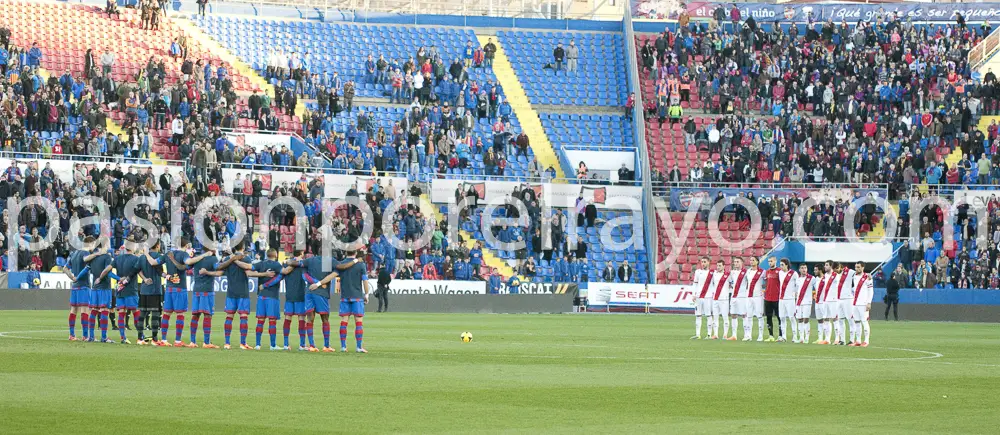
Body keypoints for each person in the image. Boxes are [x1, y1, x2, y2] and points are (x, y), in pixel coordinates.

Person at [323, 250, 371, 353]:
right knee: (358, 322)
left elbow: (332, 276)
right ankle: (359, 347)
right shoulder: (360, 265)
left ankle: (343, 347)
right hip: (357, 296)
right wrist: (366, 294)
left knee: (344, 321)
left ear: (346, 252)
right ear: (356, 252)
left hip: (345, 297)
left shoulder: (341, 264)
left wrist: (319, 283)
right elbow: (365, 281)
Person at [302, 253, 339, 352]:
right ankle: (326, 346)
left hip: (309, 291)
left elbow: (304, 274)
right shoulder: (330, 261)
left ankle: (311, 346)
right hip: (321, 293)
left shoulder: (309, 260)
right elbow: (340, 267)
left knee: (310, 318)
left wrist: (314, 282)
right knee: (325, 318)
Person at [250, 249, 283, 350]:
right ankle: (273, 345)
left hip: (261, 296)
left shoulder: (260, 264)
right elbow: (281, 276)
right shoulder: (277, 265)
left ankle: (257, 345)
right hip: (272, 296)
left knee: (260, 320)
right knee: (272, 321)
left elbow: (249, 270)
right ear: (276, 255)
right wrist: (266, 285)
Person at [188, 246, 219, 349]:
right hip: (207, 291)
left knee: (195, 315)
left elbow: (187, 266)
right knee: (207, 315)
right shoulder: (213, 259)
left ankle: (192, 341)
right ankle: (206, 342)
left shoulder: (196, 258)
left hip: (196, 290)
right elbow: (218, 271)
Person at [113, 242, 142, 344]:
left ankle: (123, 337)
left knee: (121, 313)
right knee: (135, 312)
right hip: (131, 290)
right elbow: (139, 272)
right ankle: (140, 337)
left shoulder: (117, 258)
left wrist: (118, 279)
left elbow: (108, 271)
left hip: (120, 289)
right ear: (133, 247)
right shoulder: (136, 259)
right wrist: (145, 279)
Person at [138, 241, 166, 346]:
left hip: (144, 289)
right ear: (158, 246)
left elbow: (137, 270)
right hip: (155, 288)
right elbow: (160, 271)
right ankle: (154, 339)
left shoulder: (141, 257)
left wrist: (144, 279)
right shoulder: (159, 256)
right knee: (155, 314)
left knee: (142, 314)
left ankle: (139, 338)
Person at [87, 246, 115, 343]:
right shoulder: (107, 257)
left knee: (93, 311)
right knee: (104, 311)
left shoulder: (93, 257)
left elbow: (88, 270)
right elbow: (108, 272)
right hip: (104, 287)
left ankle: (91, 336)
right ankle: (104, 337)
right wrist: (120, 279)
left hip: (94, 288)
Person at [281, 251, 308, 351]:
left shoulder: (286, 263)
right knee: (301, 319)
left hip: (289, 295)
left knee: (288, 318)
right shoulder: (303, 264)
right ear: (301, 253)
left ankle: (285, 344)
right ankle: (302, 345)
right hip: (300, 295)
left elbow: (282, 273)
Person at [65, 243, 93, 341]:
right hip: (83, 285)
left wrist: (72, 277)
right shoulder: (85, 253)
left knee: (73, 310)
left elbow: (65, 268)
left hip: (75, 287)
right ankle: (85, 336)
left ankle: (71, 335)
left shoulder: (74, 254)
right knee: (84, 310)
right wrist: (77, 278)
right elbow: (87, 268)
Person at [833, 262, 857, 345]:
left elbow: (858, 273)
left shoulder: (850, 272)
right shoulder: (837, 275)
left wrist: (867, 275)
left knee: (850, 319)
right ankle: (842, 340)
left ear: (839, 266)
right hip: (839, 299)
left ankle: (852, 339)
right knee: (840, 320)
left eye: (836, 269)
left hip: (848, 299)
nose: (835, 271)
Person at [794, 264, 818, 344]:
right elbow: (796, 291)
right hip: (798, 302)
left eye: (805, 268)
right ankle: (801, 338)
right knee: (799, 319)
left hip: (807, 302)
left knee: (806, 319)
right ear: (799, 270)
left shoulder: (812, 278)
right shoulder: (797, 279)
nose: (804, 269)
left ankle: (806, 338)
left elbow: (817, 288)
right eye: (802, 268)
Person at [851, 261, 873, 347]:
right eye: (856, 267)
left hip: (863, 303)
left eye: (859, 267)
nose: (857, 269)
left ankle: (866, 341)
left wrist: (869, 302)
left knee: (864, 321)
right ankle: (858, 340)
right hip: (855, 303)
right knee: (856, 321)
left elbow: (870, 291)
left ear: (863, 267)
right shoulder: (854, 276)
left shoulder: (867, 277)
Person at [726, 257, 749, 341]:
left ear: (742, 263)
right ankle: (734, 335)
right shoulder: (732, 273)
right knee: (733, 314)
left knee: (744, 315)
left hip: (742, 296)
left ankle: (746, 335)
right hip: (734, 296)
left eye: (737, 262)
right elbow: (729, 282)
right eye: (734, 262)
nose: (735, 263)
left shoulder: (746, 272)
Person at [776, 258, 798, 343]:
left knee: (792, 317)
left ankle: (795, 336)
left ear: (787, 265)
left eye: (782, 265)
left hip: (790, 299)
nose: (780, 266)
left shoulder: (794, 273)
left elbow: (798, 284)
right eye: (780, 264)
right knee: (782, 317)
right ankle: (784, 336)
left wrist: (795, 293)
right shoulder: (780, 273)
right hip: (781, 299)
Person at [709, 260, 731, 340]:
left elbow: (732, 284)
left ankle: (725, 334)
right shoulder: (714, 274)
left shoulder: (728, 275)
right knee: (715, 317)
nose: (718, 267)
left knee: (725, 317)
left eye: (720, 266)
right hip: (715, 298)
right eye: (717, 266)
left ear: (724, 266)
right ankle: (715, 334)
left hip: (724, 299)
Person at [691, 256, 712, 339]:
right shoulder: (697, 272)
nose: (703, 263)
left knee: (708, 315)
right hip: (699, 297)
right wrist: (694, 294)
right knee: (698, 315)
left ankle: (709, 334)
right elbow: (695, 284)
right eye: (702, 262)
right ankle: (697, 334)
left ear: (709, 262)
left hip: (708, 297)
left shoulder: (712, 273)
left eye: (704, 262)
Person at [745, 256, 766, 341]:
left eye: (753, 260)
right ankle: (748, 335)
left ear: (757, 262)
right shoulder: (748, 271)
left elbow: (766, 282)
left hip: (758, 297)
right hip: (749, 296)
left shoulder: (762, 272)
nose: (751, 262)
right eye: (750, 260)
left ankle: (760, 335)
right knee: (749, 316)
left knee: (759, 316)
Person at [762, 256, 780, 342]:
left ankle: (780, 335)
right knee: (768, 317)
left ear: (775, 261)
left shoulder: (779, 271)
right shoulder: (767, 272)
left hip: (777, 298)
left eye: (771, 261)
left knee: (779, 317)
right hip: (768, 298)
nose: (770, 263)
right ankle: (771, 335)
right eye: (769, 261)